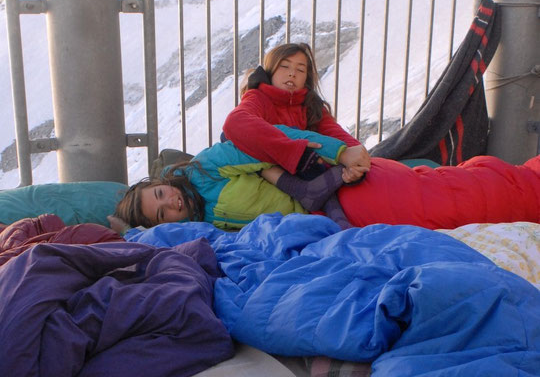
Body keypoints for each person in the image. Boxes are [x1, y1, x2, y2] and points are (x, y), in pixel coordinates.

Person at [111, 126, 540, 233]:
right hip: (334, 216)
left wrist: (341, 151)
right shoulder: (204, 231)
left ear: (162, 181)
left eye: (162, 194)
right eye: (161, 214)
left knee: (471, 200)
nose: (172, 205)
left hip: (347, 188)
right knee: (457, 195)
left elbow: (279, 142)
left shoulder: (207, 167)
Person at [222, 41, 371, 183]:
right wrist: (295, 150)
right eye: (284, 66)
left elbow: (336, 134)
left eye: (300, 69)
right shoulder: (258, 97)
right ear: (270, 71)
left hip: (307, 174)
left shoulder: (311, 105)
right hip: (267, 178)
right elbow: (235, 122)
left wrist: (357, 164)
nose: (292, 73)